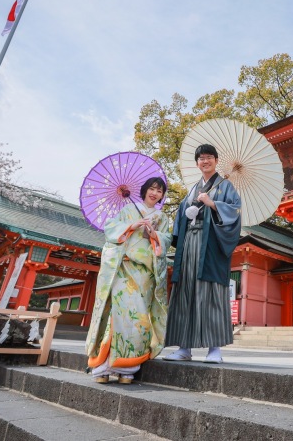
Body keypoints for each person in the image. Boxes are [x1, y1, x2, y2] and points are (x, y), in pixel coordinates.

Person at [85, 176, 172, 384]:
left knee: (139, 317)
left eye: (159, 191)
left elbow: (167, 241)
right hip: (124, 268)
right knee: (119, 313)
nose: (155, 193)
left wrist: (154, 235)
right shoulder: (127, 211)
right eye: (152, 188)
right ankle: (104, 366)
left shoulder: (162, 217)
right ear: (144, 190)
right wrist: (132, 225)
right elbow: (111, 231)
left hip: (145, 273)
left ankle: (128, 368)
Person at [164, 144, 242, 364]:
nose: (205, 161)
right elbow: (182, 215)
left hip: (210, 246)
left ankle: (214, 349)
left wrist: (213, 204)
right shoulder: (192, 189)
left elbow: (235, 211)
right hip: (189, 244)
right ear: (197, 162)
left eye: (209, 157)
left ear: (216, 160)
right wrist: (187, 212)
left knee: (210, 293)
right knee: (186, 291)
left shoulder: (225, 185)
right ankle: (184, 347)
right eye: (201, 158)